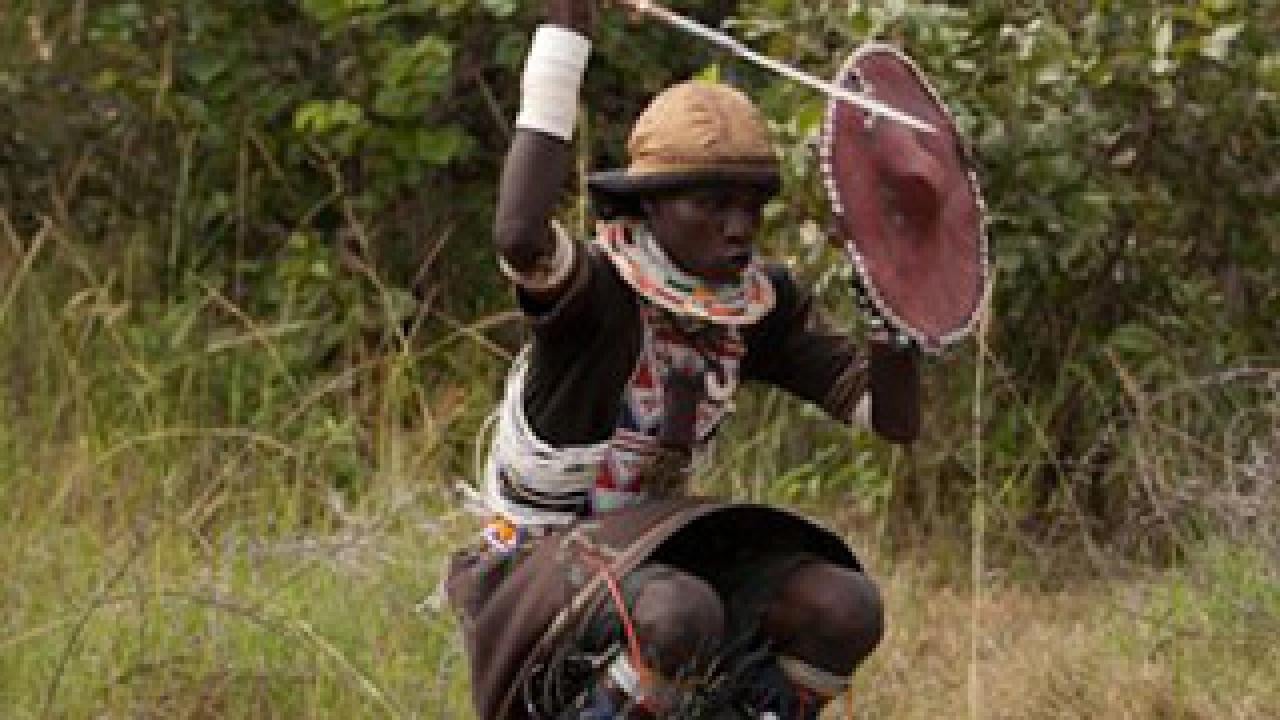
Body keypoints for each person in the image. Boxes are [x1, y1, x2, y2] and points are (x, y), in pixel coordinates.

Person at [447, 1, 921, 717]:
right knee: (678, 615)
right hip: (533, 567)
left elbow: (893, 420)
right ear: (651, 207)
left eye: (752, 206)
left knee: (842, 606)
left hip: (652, 557)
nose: (739, 229)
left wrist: (897, 312)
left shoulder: (758, 306)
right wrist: (567, 31)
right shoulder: (597, 296)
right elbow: (519, 235)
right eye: (712, 205)